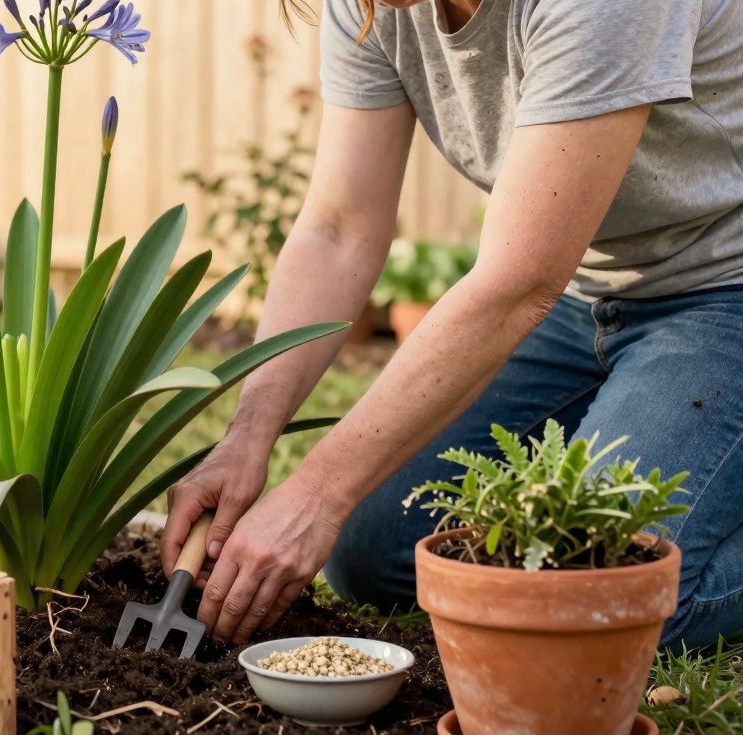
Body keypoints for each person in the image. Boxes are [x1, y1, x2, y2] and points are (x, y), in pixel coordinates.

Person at [161, 0, 743, 650]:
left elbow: (517, 284)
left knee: (605, 595)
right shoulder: (371, 6)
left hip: (727, 292)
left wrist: (317, 491)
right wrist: (248, 435)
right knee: (375, 550)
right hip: (584, 296)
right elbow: (339, 229)